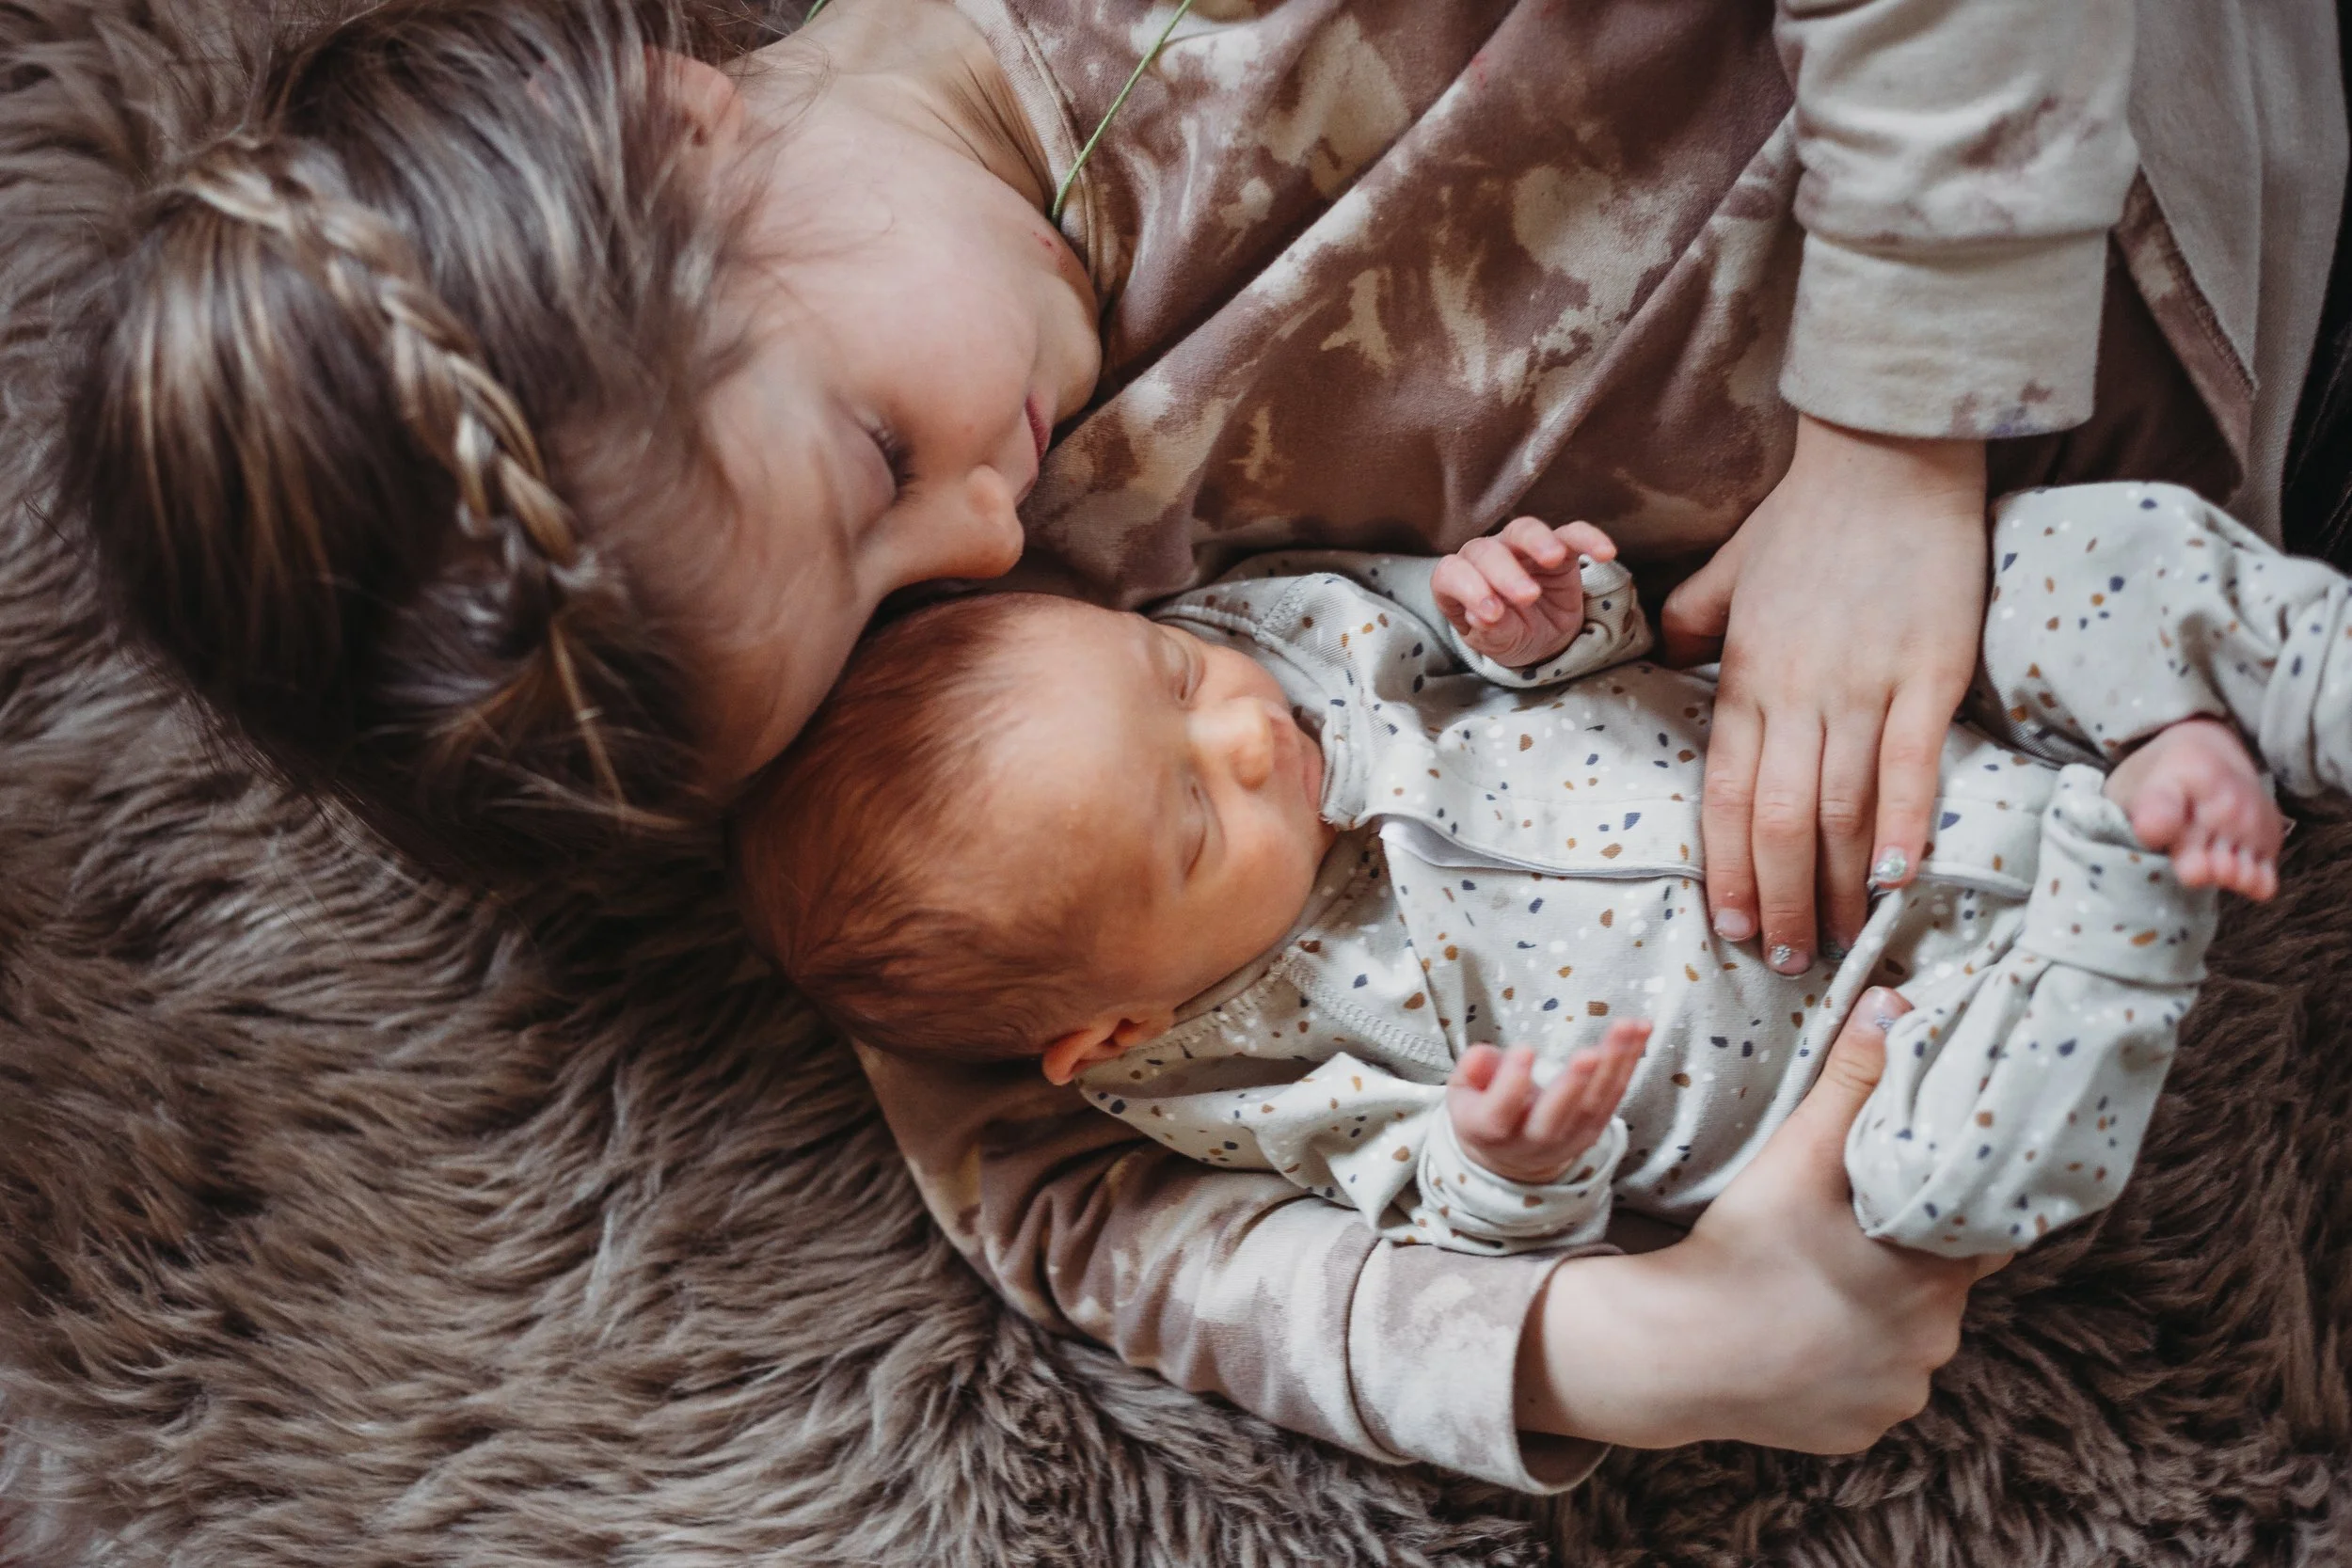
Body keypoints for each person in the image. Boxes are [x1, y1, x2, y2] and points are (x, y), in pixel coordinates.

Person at [52, 0, 2344, 1491]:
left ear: (691, 120)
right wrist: (1616, 1344)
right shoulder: (884, 643)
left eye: (868, 466)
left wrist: (1890, 437)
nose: (970, 548)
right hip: (2154, 638)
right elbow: (1054, 1173)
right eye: (875, 616)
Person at [739, 482, 2334, 1266]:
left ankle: (2299, 682)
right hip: (1900, 1023)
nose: (1238, 735)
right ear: (1115, 1024)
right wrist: (1511, 1166)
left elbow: (1549, 640)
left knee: (2059, 553)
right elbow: (1441, 1215)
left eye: (1166, 678)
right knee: (1931, 1197)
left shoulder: (1282, 647)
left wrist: (1542, 618)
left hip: (1911, 725)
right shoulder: (1241, 1077)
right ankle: (2132, 888)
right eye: (1191, 831)